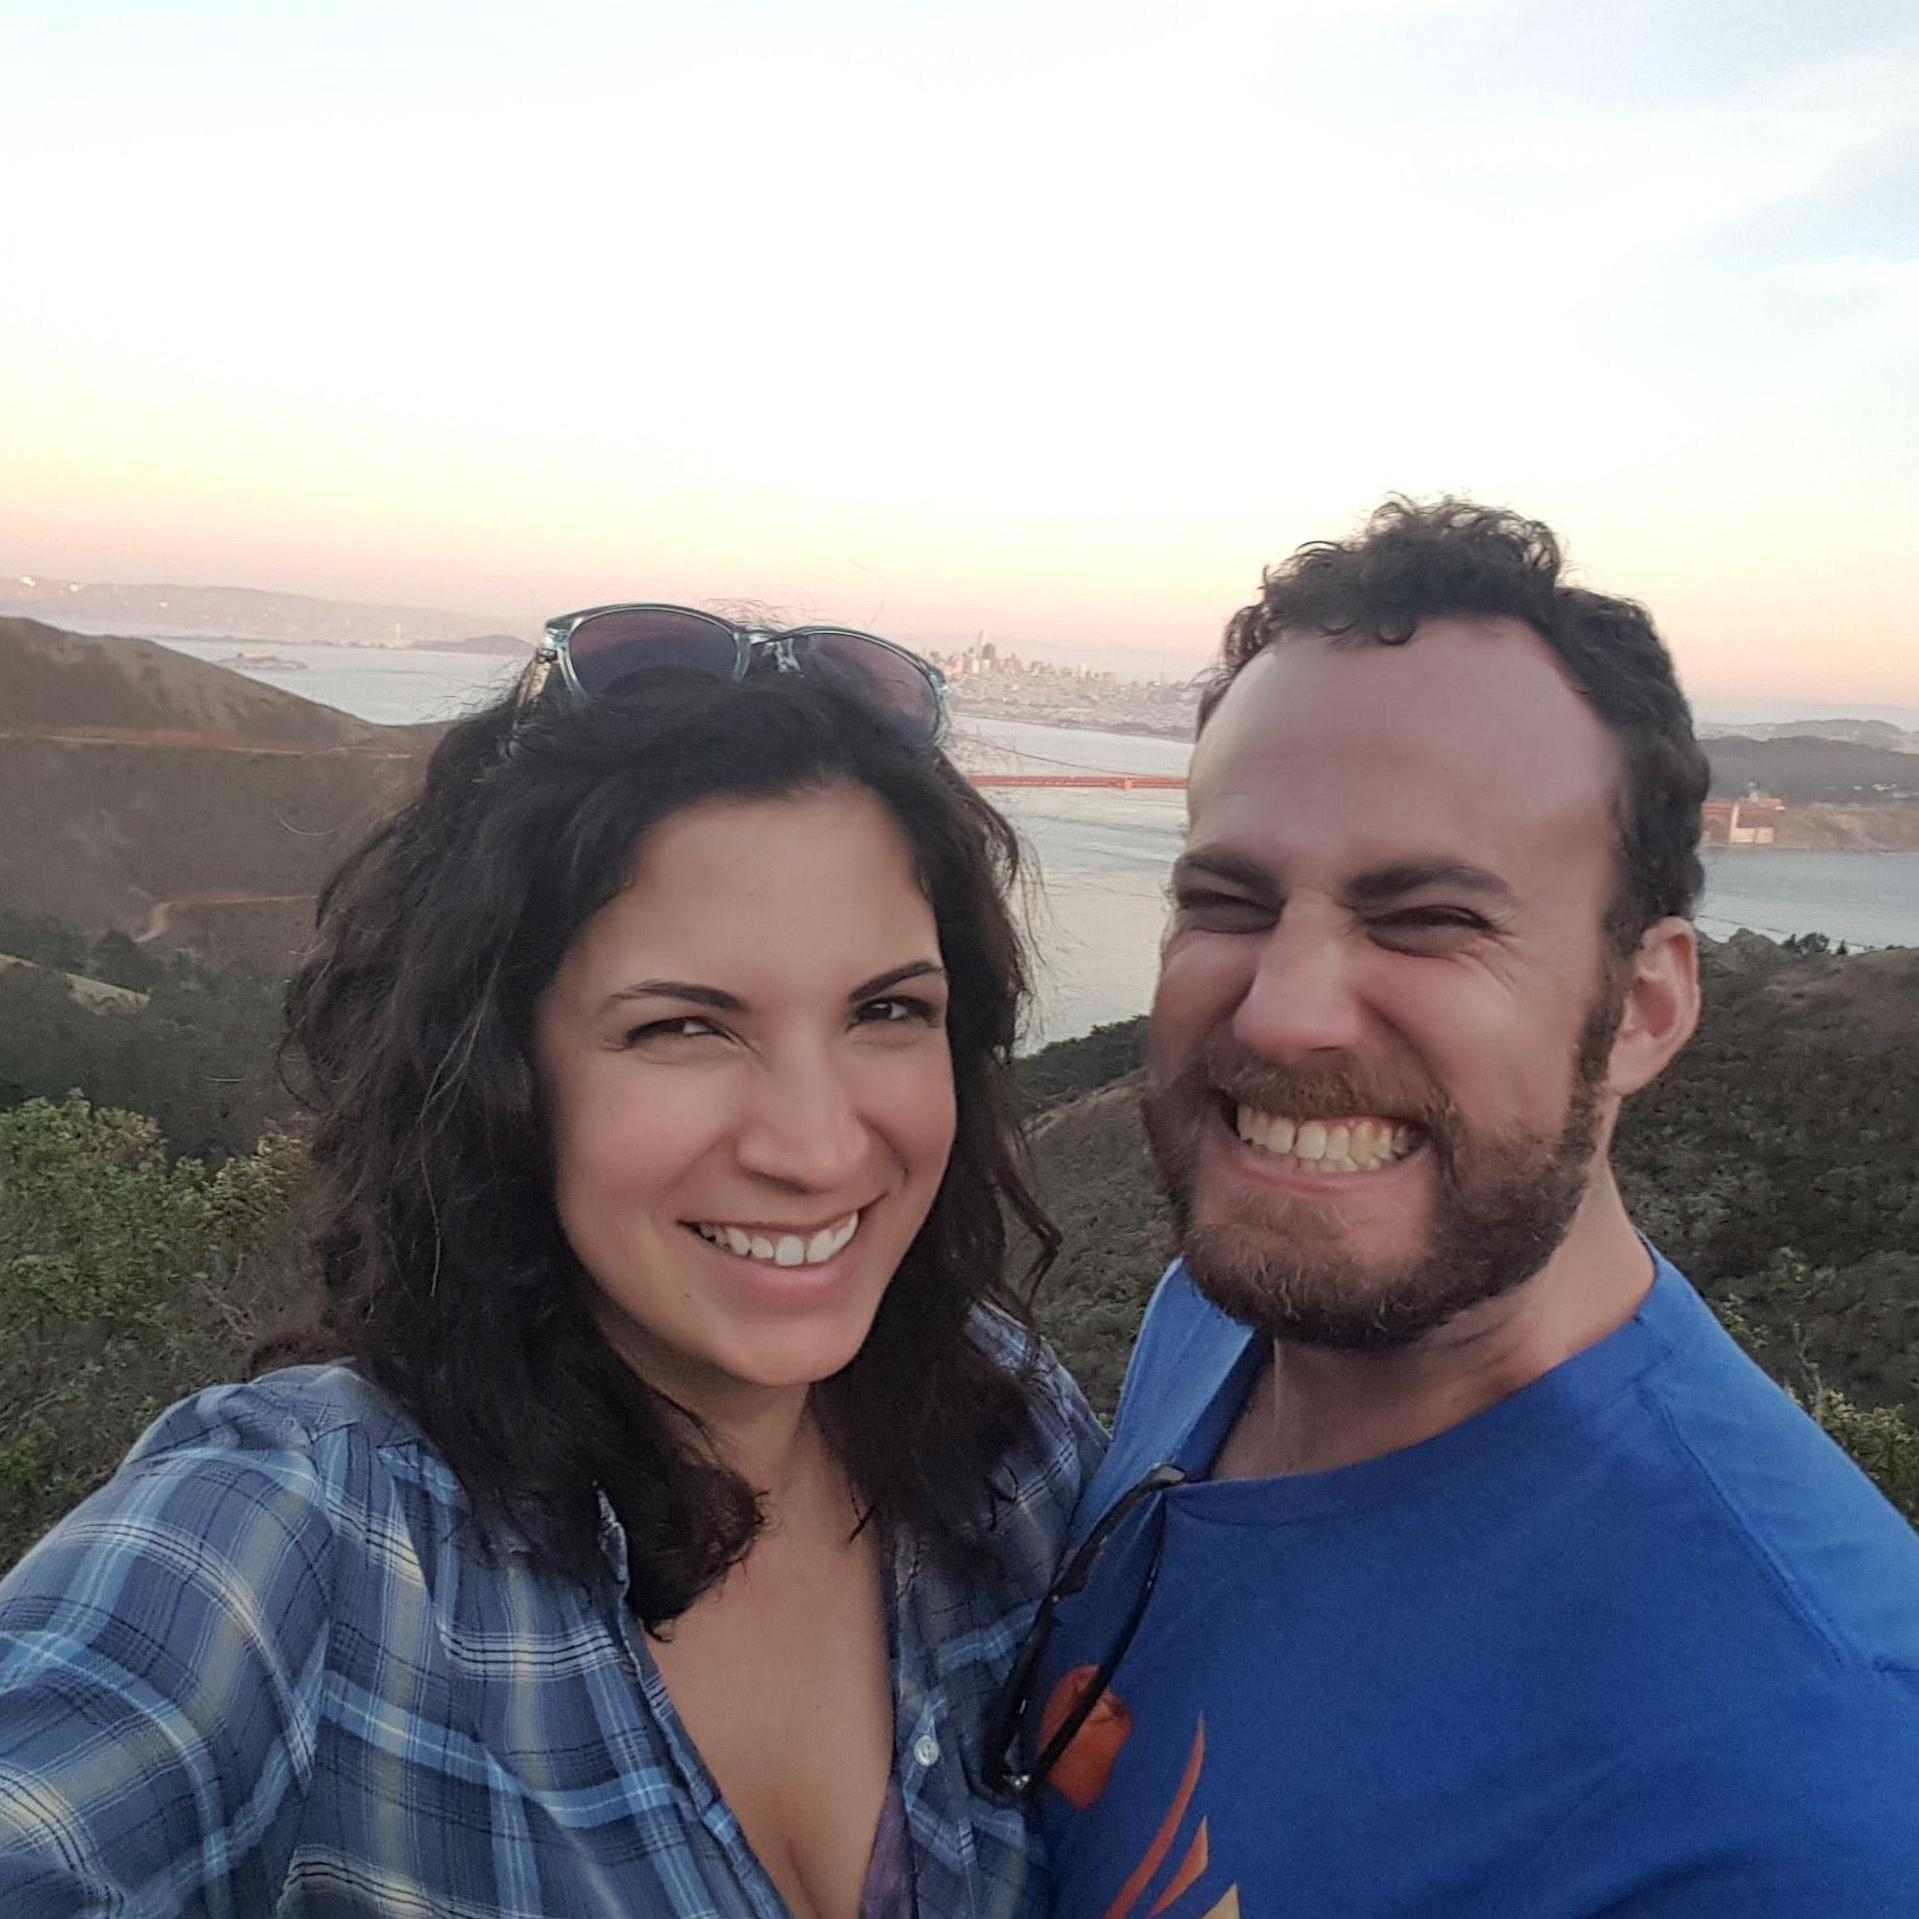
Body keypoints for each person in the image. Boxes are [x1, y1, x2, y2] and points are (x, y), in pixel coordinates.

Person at [0, 605, 1104, 1917]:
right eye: (685, 1027)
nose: (817, 1147)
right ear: (506, 1073)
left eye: (887, 1011)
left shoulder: (1007, 1447)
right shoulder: (299, 1545)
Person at [994, 503, 1919, 1914]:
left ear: (1646, 1008)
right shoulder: (1224, 1309)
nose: (1288, 1009)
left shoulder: (1808, 1781)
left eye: (1427, 916)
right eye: (1229, 900)